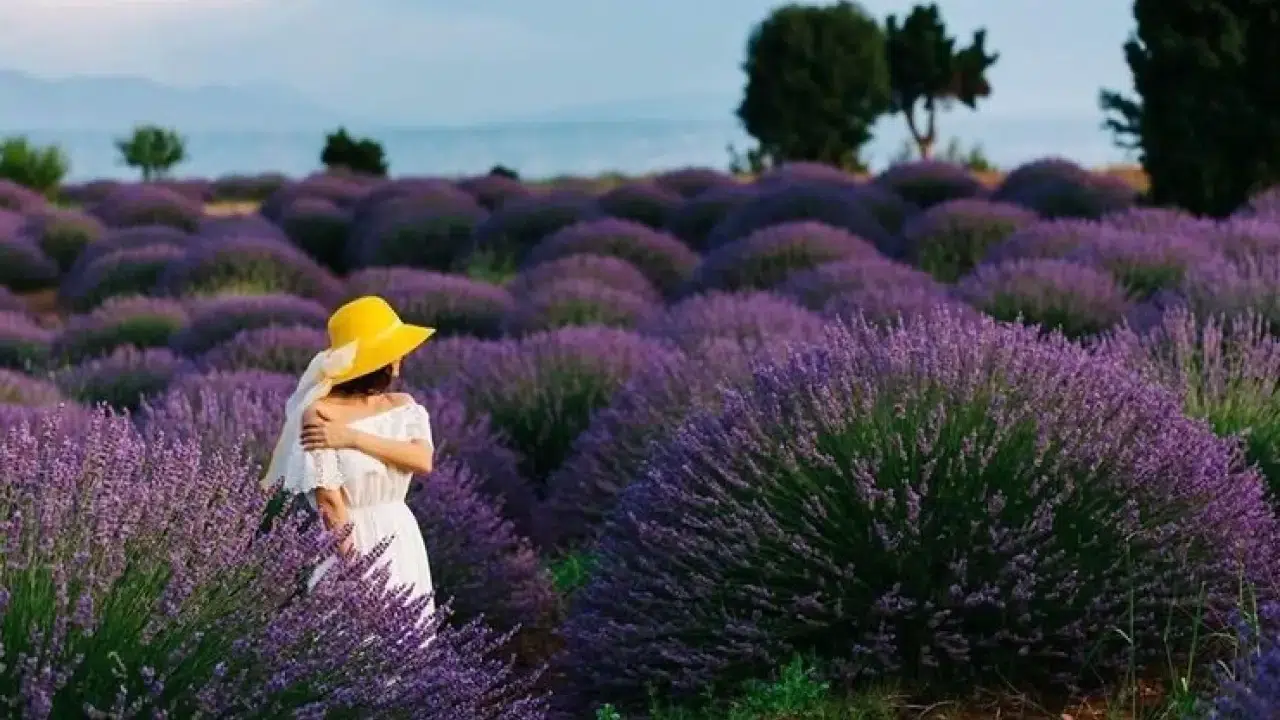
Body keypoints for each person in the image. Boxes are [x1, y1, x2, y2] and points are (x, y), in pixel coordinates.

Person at [262, 295, 438, 620]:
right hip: (351, 541)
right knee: (354, 642)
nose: (401, 356)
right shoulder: (319, 412)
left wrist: (352, 438)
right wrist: (356, 571)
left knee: (409, 644)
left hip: (400, 535)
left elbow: (422, 460)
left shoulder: (402, 404)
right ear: (382, 359)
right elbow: (329, 502)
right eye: (395, 349)